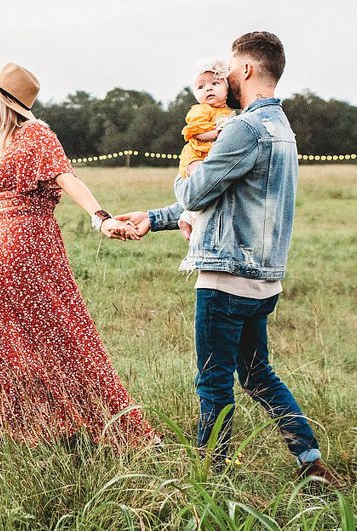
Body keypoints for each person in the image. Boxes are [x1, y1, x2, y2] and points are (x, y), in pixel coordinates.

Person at [117, 32, 340, 484]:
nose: (225, 77)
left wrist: (190, 170)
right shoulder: (282, 129)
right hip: (264, 281)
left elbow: (197, 190)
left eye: (231, 69)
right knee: (258, 375)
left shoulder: (243, 128)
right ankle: (310, 462)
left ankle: (209, 479)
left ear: (248, 70)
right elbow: (224, 199)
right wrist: (155, 218)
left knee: (213, 381)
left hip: (226, 278)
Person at [0, 62, 155, 446]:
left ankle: (80, 422)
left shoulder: (37, 135)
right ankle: (7, 425)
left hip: (27, 245)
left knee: (55, 332)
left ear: (2, 103)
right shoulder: (10, 143)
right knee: (6, 333)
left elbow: (67, 177)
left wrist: (100, 218)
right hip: (4, 244)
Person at [176, 58, 237, 241]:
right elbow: (195, 132)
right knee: (200, 181)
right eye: (201, 87)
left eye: (215, 83)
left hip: (209, 157)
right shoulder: (200, 110)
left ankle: (188, 217)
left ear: (227, 89)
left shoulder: (229, 112)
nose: (208, 89)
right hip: (195, 155)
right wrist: (215, 133)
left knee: (212, 187)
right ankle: (189, 217)